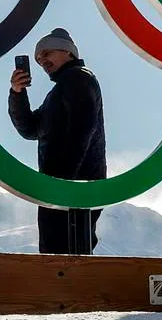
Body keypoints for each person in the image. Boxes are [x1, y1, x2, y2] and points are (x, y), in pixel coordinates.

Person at [8, 27, 107, 254]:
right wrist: (17, 92)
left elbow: (82, 129)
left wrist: (63, 181)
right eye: (38, 58)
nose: (42, 59)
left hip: (71, 185)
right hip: (62, 186)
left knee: (63, 253)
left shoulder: (78, 78)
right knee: (62, 251)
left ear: (68, 52)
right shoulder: (59, 91)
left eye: (47, 52)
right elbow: (30, 129)